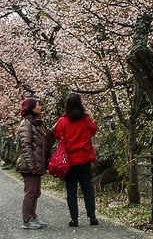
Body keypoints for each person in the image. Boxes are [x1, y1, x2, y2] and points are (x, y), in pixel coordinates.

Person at [53, 93, 98, 227]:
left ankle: (74, 219)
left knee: (71, 190)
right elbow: (94, 130)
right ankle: (92, 217)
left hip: (70, 161)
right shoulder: (86, 119)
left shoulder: (62, 121)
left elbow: (56, 134)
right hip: (84, 159)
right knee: (87, 189)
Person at [16, 98, 53, 230]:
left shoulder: (38, 123)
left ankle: (33, 216)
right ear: (31, 108)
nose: (40, 106)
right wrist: (31, 165)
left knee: (36, 192)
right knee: (30, 192)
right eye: (37, 105)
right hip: (29, 165)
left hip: (37, 164)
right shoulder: (26, 124)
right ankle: (27, 219)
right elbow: (26, 146)